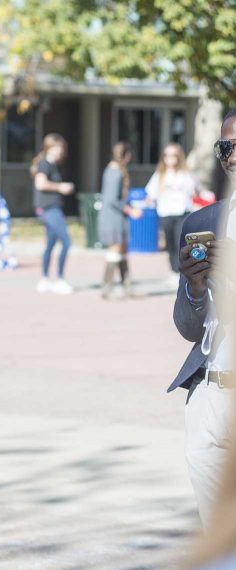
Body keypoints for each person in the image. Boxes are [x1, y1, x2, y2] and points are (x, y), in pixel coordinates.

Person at [167, 109, 236, 528]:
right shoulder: (203, 222)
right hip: (209, 395)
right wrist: (194, 289)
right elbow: (187, 327)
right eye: (225, 146)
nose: (232, 155)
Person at [146, 142, 202, 284]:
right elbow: (151, 194)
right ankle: (173, 272)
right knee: (170, 243)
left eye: (173, 155)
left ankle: (183, 272)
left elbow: (197, 191)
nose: (169, 159)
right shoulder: (160, 174)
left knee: (181, 243)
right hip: (166, 213)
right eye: (166, 155)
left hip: (183, 213)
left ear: (178, 157)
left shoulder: (186, 174)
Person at [31, 133, 76, 294]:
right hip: (49, 208)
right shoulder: (45, 164)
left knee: (50, 244)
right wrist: (60, 187)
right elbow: (40, 184)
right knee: (66, 241)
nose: (61, 152)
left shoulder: (53, 165)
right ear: (50, 148)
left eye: (62, 149)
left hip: (53, 207)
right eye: (58, 148)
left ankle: (44, 279)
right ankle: (60, 279)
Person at [98, 141, 141, 298]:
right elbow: (111, 199)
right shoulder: (114, 172)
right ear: (126, 155)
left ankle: (127, 286)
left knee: (122, 251)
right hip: (112, 218)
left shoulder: (115, 170)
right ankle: (106, 288)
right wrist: (130, 210)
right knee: (114, 251)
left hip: (117, 217)